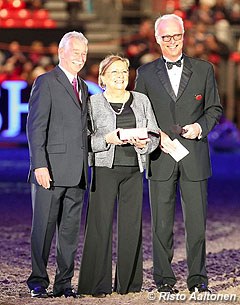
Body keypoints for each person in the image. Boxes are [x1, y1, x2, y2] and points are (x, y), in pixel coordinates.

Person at [135, 14, 223, 294]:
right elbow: (140, 114)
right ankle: (164, 280)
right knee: (161, 225)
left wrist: (200, 127)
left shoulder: (204, 69)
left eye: (177, 36)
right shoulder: (145, 74)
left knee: (196, 224)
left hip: (194, 156)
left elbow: (214, 109)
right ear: (157, 39)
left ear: (184, 36)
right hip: (160, 157)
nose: (172, 42)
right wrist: (153, 136)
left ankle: (198, 280)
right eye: (166, 37)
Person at [77, 55, 160, 298]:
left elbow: (154, 134)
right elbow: (85, 140)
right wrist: (107, 139)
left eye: (124, 71)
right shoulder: (93, 103)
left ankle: (129, 284)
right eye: (114, 72)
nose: (121, 76)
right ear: (102, 78)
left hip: (134, 170)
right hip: (104, 169)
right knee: (99, 226)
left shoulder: (141, 100)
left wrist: (143, 144)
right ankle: (96, 284)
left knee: (131, 227)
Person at [26, 31, 89, 298]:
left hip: (77, 174)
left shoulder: (84, 86)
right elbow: (36, 127)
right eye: (76, 53)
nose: (81, 58)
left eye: (84, 54)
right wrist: (39, 164)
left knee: (69, 234)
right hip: (49, 171)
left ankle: (64, 283)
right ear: (62, 52)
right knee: (43, 229)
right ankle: (38, 282)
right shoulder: (46, 82)